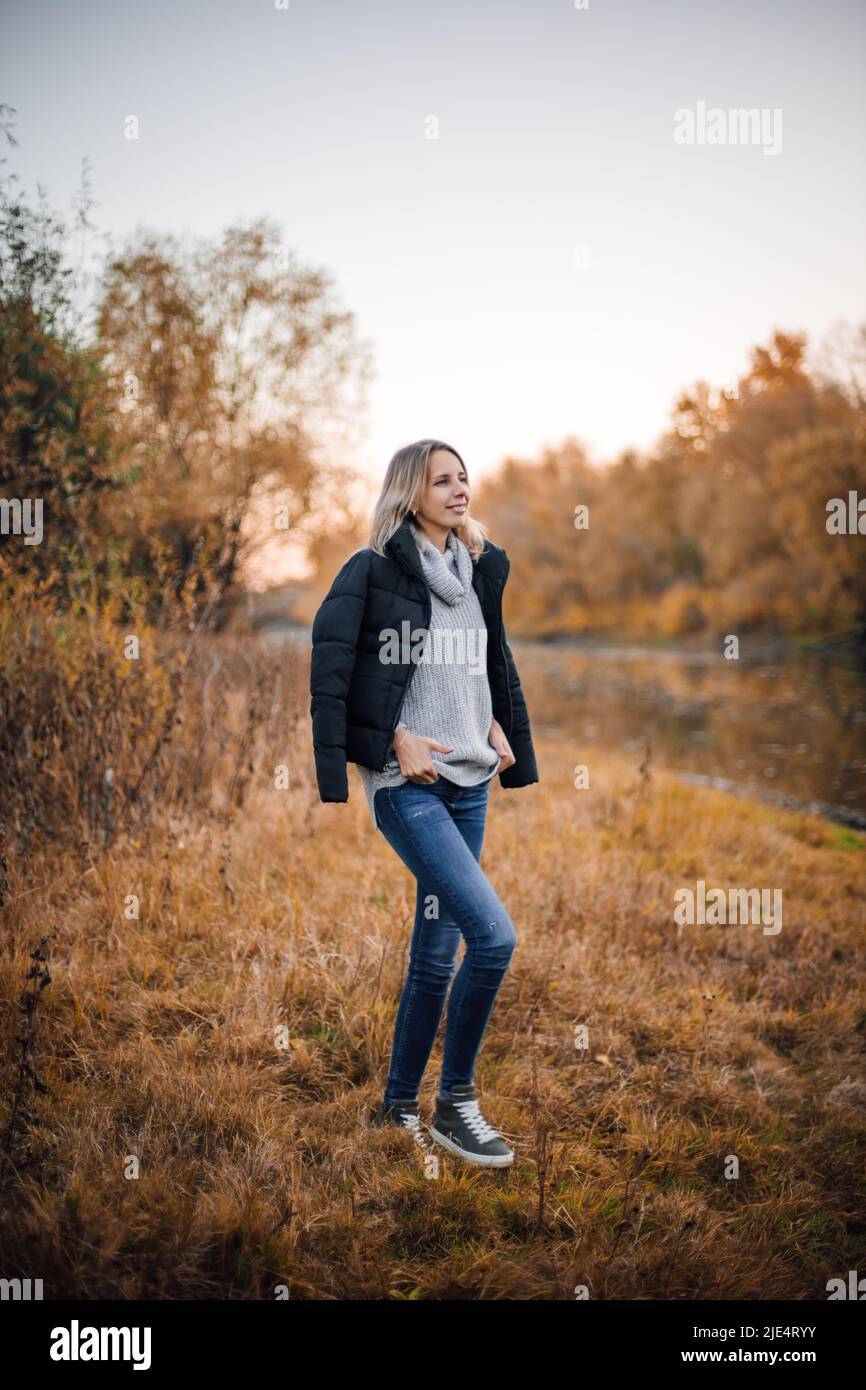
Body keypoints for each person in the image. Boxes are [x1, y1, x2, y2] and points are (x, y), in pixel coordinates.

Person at [309, 439, 538, 1166]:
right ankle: (456, 1106)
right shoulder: (373, 570)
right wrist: (389, 744)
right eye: (443, 480)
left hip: (469, 786)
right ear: (410, 492)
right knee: (494, 938)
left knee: (436, 955)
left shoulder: (476, 572)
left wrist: (491, 722)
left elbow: (483, 665)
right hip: (410, 790)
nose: (459, 488)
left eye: (464, 477)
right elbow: (332, 675)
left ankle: (397, 1107)